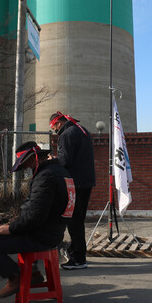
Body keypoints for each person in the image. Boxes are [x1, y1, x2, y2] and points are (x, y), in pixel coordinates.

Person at [0, 141, 75, 299]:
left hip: (42, 235)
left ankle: (16, 277)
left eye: (26, 165)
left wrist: (11, 228)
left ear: (32, 159)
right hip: (54, 232)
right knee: (11, 232)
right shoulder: (61, 171)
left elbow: (35, 216)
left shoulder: (45, 177)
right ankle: (33, 273)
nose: (27, 170)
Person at [49, 111, 96, 269]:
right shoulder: (82, 130)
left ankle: (78, 258)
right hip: (86, 182)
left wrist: (52, 161)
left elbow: (65, 160)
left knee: (74, 221)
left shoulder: (67, 134)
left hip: (74, 183)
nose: (55, 131)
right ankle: (76, 251)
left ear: (59, 123)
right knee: (78, 220)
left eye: (54, 127)